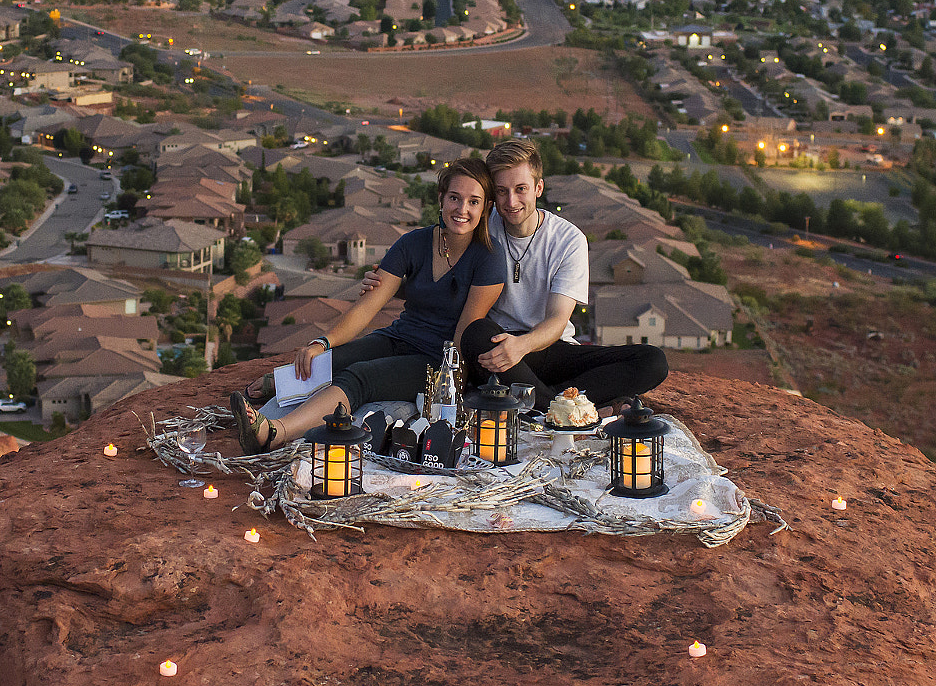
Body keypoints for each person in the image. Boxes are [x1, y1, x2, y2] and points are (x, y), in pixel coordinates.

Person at [362, 138, 666, 414]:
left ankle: (545, 406)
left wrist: (521, 346)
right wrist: (389, 285)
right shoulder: (478, 224)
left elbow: (558, 320)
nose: (511, 202)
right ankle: (565, 412)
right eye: (502, 192)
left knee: (652, 361)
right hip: (491, 348)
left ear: (538, 188)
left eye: (520, 189)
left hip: (545, 349)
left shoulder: (567, 239)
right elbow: (443, 277)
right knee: (476, 333)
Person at [233, 158, 505, 453]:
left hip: (437, 359)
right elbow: (367, 306)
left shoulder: (488, 259)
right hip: (399, 337)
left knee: (360, 376)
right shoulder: (413, 243)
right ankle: (282, 385)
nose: (462, 210)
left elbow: (463, 336)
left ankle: (276, 432)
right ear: (441, 198)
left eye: (473, 202)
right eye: (455, 198)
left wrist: (446, 384)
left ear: (486, 208)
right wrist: (322, 343)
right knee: (332, 361)